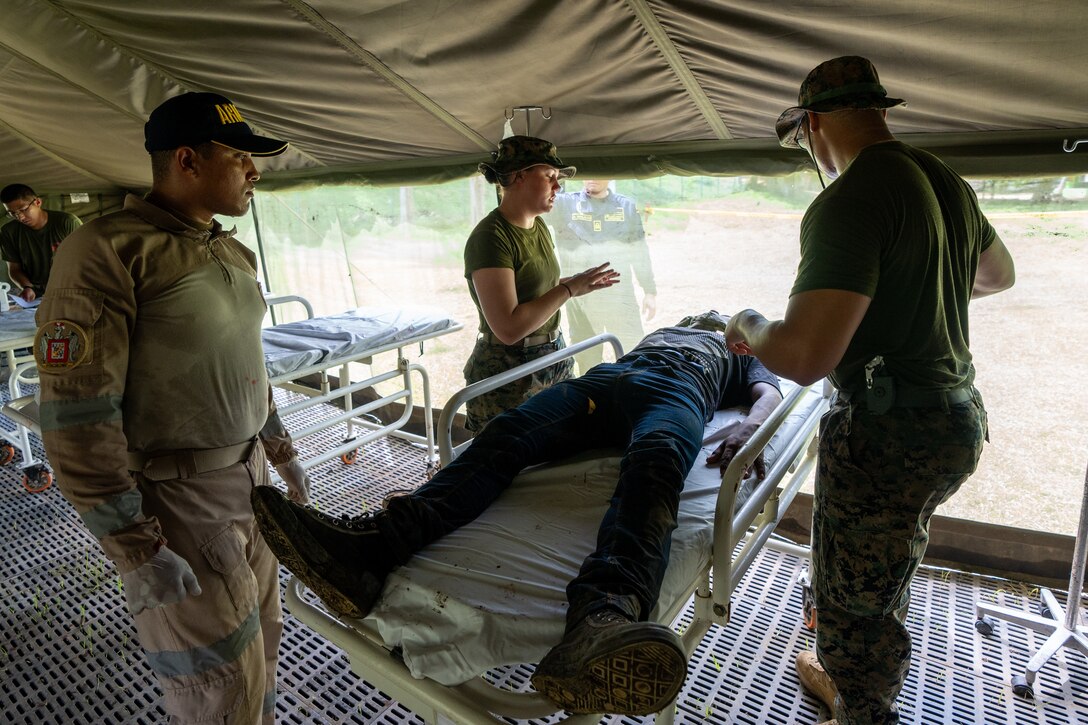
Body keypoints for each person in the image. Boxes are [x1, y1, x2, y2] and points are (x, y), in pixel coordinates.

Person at [251, 310, 783, 716]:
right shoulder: (665, 331)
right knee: (508, 431)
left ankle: (605, 613)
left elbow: (767, 390)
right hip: (611, 381)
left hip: (679, 393)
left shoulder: (737, 348)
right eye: (702, 314)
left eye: (717, 316)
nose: (707, 317)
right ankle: (373, 549)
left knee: (659, 462)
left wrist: (749, 429)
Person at [723, 56, 1016, 725]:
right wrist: (905, 289)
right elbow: (998, 275)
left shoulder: (849, 200)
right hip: (955, 419)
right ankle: (864, 674)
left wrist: (748, 324)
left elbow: (802, 355)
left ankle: (860, 706)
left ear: (814, 124)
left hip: (887, 435)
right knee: (886, 560)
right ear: (881, 110)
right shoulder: (942, 179)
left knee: (850, 610)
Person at [34, 92, 313, 725]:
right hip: (177, 501)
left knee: (263, 650)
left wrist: (280, 449)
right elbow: (77, 414)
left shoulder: (228, 251)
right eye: (240, 157)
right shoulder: (107, 249)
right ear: (187, 159)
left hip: (253, 486)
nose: (254, 172)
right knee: (217, 684)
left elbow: (247, 365)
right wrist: (133, 546)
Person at [463, 135, 620, 432]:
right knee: (511, 466)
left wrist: (574, 284)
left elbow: (532, 290)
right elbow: (509, 328)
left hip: (551, 356)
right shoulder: (490, 238)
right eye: (549, 176)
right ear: (518, 176)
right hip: (509, 371)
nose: (557, 186)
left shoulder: (538, 227)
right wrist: (568, 289)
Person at [550, 179, 657, 373]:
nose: (592, 178)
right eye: (587, 173)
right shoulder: (564, 204)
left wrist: (649, 291)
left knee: (633, 352)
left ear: (610, 177)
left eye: (598, 174)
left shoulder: (625, 207)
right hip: (580, 299)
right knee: (587, 358)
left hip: (619, 295)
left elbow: (639, 249)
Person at [1, 183, 82, 301]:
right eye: (12, 213)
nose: (20, 217)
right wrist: (27, 287)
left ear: (38, 202)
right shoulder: (8, 231)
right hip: (35, 293)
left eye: (23, 210)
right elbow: (14, 269)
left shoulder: (67, 223)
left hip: (69, 289)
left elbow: (84, 261)